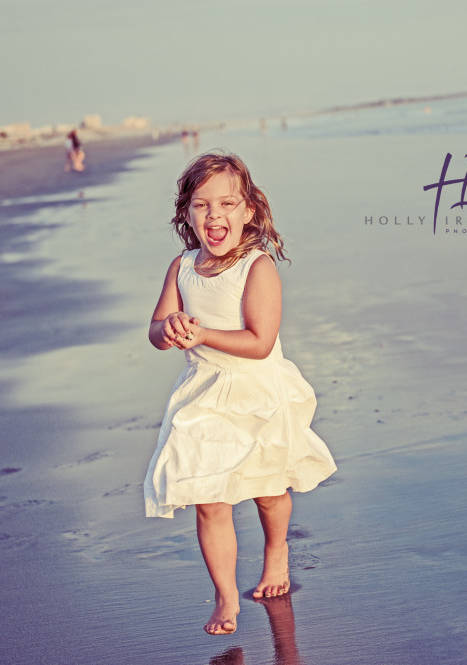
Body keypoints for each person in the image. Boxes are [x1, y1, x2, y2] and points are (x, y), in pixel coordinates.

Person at [143, 152, 337, 636]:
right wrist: (169, 328)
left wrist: (202, 333)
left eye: (227, 203)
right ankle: (226, 597)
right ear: (185, 212)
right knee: (209, 499)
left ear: (248, 210)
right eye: (202, 204)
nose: (215, 215)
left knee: (269, 491)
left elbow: (260, 342)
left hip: (257, 393)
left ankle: (277, 552)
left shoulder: (257, 266)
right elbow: (155, 328)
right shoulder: (182, 267)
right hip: (204, 395)